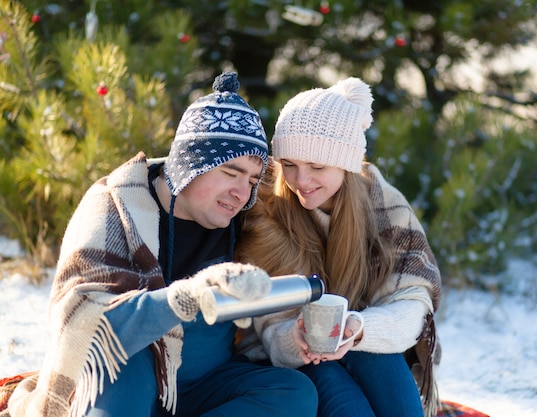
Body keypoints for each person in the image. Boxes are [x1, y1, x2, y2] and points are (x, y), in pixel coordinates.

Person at [2, 72, 317, 417]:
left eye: (252, 180)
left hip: (205, 382)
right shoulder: (116, 205)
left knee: (294, 392)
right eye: (230, 172)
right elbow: (83, 321)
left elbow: (325, 196)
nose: (242, 193)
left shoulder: (246, 218)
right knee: (126, 364)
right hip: (129, 371)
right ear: (192, 163)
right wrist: (186, 297)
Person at [235, 77, 442, 417]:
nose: (301, 181)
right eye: (289, 165)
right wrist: (297, 337)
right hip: (291, 361)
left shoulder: (382, 204)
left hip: (362, 340)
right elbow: (267, 331)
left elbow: (413, 304)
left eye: (317, 167)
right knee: (343, 397)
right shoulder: (268, 210)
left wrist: (358, 330)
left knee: (385, 367)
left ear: (346, 164)